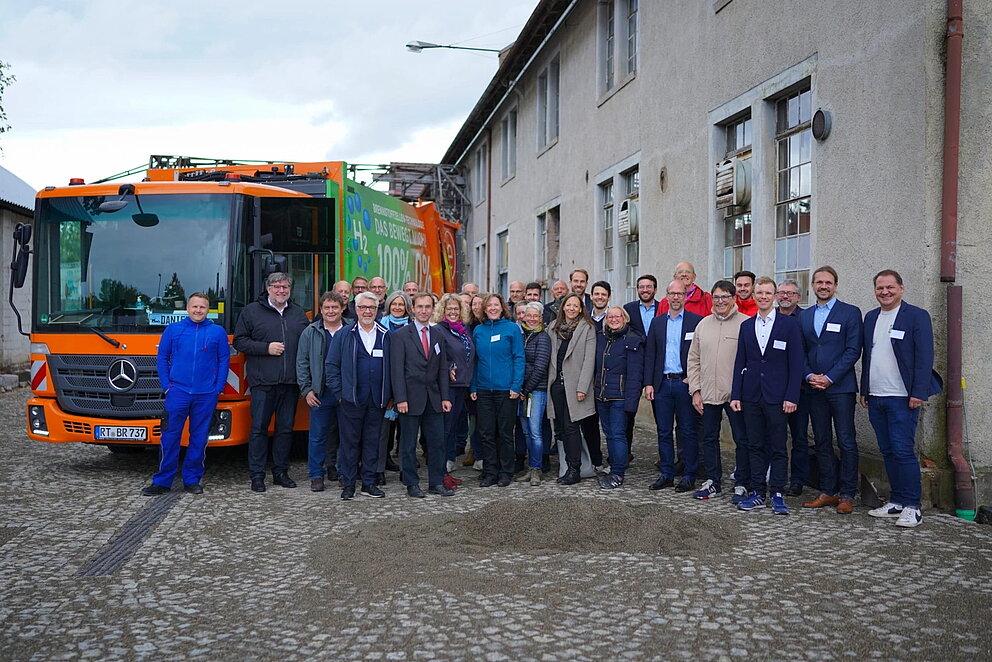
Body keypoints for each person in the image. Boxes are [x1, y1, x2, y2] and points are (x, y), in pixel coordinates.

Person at [861, 269, 942, 528]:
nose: (884, 292)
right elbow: (869, 357)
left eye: (889, 287)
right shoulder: (871, 317)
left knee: (903, 451)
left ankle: (912, 506)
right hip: (876, 396)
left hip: (902, 397)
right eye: (880, 288)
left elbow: (924, 357)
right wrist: (865, 390)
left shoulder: (916, 316)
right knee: (887, 450)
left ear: (901, 288)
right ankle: (896, 501)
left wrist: (918, 393)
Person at [142, 293, 229, 496]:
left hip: (206, 394)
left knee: (199, 438)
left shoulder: (217, 332)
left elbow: (223, 359)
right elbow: (162, 357)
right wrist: (166, 386)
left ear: (209, 310)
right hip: (178, 392)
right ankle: (162, 481)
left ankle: (192, 479)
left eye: (203, 307)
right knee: (169, 437)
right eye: (195, 307)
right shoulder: (173, 330)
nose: (198, 311)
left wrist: (218, 387)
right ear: (187, 308)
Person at [730, 276, 804, 515]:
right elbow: (740, 361)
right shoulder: (746, 326)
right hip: (751, 395)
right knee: (755, 445)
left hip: (778, 397)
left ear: (774, 296)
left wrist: (792, 396)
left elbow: (796, 364)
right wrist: (736, 394)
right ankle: (757, 492)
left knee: (779, 447)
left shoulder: (789, 325)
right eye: (759, 293)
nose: (763, 297)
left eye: (767, 293)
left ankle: (778, 493)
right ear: (754, 296)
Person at [234, 272, 310, 493]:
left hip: (290, 383)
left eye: (285, 287)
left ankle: (280, 472)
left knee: (285, 429)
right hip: (263, 382)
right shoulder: (251, 311)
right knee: (258, 429)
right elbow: (240, 341)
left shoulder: (298, 314)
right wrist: (265, 348)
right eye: (276, 286)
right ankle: (257, 475)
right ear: (268, 288)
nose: (281, 290)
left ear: (290, 289)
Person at [799, 267, 864, 514]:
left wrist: (830, 377)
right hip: (814, 388)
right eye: (819, 282)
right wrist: (809, 375)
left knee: (846, 440)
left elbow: (852, 351)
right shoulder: (805, 316)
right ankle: (828, 490)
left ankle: (847, 494)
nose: (823, 286)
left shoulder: (849, 313)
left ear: (835, 285)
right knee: (822, 440)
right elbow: (802, 351)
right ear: (813, 286)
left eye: (828, 282)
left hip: (840, 388)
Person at [686, 280, 750, 501]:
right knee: (709, 438)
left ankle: (742, 482)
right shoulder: (703, 324)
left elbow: (751, 362)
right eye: (716, 297)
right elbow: (693, 359)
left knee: (742, 439)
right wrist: (695, 390)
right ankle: (713, 481)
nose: (720, 301)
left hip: (736, 396)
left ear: (734, 298)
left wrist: (742, 392)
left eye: (725, 297)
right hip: (708, 393)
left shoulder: (746, 324)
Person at [327, 291, 392, 500]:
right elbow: (331, 366)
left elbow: (393, 367)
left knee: (372, 442)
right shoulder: (344, 334)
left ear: (377, 310)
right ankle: (348, 484)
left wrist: (389, 395)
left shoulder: (385, 334)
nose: (367, 311)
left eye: (371, 308)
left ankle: (369, 483)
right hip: (351, 399)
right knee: (349, 443)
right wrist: (340, 393)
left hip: (377, 399)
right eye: (363, 307)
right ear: (356, 309)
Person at [391, 293, 453, 497]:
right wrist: (400, 399)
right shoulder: (401, 335)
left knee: (437, 443)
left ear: (433, 309)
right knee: (408, 445)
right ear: (413, 309)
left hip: (434, 398)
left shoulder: (437, 335)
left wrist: (445, 397)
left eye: (428, 307)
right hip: (409, 399)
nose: (424, 310)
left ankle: (436, 482)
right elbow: (397, 370)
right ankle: (411, 483)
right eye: (420, 307)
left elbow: (442, 369)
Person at [645, 279, 703, 492]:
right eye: (672, 293)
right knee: (663, 431)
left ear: (686, 295)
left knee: (688, 431)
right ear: (667, 296)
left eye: (680, 293)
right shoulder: (657, 322)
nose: (676, 297)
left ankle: (689, 475)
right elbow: (650, 354)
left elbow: (701, 355)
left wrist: (695, 381)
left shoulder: (696, 322)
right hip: (662, 385)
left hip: (685, 384)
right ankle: (667, 473)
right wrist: (649, 383)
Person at [470, 293, 525, 487]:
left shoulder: (511, 329)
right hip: (484, 389)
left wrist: (516, 385)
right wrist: (474, 385)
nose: (493, 308)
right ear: (484, 309)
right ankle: (490, 471)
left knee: (505, 432)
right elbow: (475, 362)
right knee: (485, 432)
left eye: (496, 305)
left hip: (506, 390)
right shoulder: (478, 331)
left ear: (502, 308)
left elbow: (519, 357)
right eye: (489, 305)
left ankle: (505, 471)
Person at [296, 291, 348, 492]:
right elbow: (302, 363)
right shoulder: (310, 332)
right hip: (320, 393)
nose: (331, 311)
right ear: (321, 309)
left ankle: (345, 473)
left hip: (345, 393)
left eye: (335, 307)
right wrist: (307, 389)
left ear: (342, 308)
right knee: (318, 436)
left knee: (347, 436)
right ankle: (316, 475)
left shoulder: (351, 330)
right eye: (326, 307)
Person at [547, 293, 597, 484]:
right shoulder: (553, 328)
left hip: (575, 386)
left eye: (576, 306)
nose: (571, 309)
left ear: (581, 309)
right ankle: (567, 466)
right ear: (563, 307)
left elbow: (589, 360)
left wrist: (582, 387)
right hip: (556, 385)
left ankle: (574, 470)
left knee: (571, 427)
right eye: (568, 305)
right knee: (560, 428)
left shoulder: (587, 328)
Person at [593, 305, 644, 489]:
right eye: (610, 317)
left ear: (625, 318)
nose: (614, 319)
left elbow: (635, 374)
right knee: (609, 434)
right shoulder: (602, 338)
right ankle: (614, 466)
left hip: (620, 398)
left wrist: (631, 402)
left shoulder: (632, 340)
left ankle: (618, 473)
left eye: (617, 316)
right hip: (602, 395)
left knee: (617, 434)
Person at [775, 278, 811, 496]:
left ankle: (797, 479)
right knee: (775, 436)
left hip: (800, 389)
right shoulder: (769, 319)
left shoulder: (805, 319)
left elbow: (806, 353)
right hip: (774, 389)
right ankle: (775, 476)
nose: (785, 296)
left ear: (799, 297)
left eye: (790, 293)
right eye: (781, 293)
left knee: (799, 437)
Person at [434, 294, 474, 479]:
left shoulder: (462, 330)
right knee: (445, 426)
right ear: (442, 310)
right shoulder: (439, 330)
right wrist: (448, 366)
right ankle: (441, 464)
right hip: (447, 385)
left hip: (462, 384)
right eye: (449, 308)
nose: (452, 312)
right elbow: (436, 356)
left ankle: (449, 460)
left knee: (454, 424)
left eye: (456, 309)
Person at [517, 301, 551, 486]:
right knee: (526, 432)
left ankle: (537, 469)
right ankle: (531, 467)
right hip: (522, 391)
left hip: (536, 391)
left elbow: (540, 367)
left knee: (535, 431)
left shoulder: (543, 337)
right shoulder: (522, 336)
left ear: (540, 318)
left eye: (535, 316)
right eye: (528, 315)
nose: (531, 319)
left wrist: (525, 389)